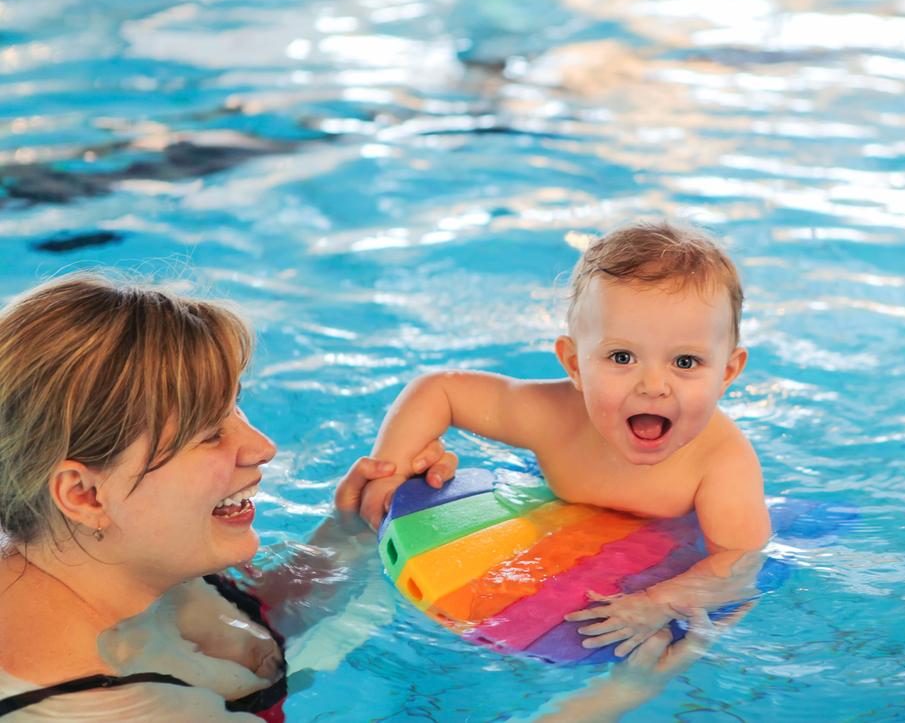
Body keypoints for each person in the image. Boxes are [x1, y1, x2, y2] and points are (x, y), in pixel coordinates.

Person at [0, 272, 709, 722]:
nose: (261, 447)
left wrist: (350, 531)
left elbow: (239, 619)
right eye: (207, 436)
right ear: (82, 493)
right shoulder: (118, 712)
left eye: (237, 407)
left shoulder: (82, 559)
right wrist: (610, 701)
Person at [358, 219, 771, 658]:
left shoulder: (721, 462)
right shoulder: (553, 417)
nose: (654, 385)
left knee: (661, 657)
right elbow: (439, 390)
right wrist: (391, 471)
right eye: (622, 356)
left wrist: (658, 602)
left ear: (727, 372)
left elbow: (741, 562)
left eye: (686, 362)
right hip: (556, 525)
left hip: (665, 548)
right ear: (574, 364)